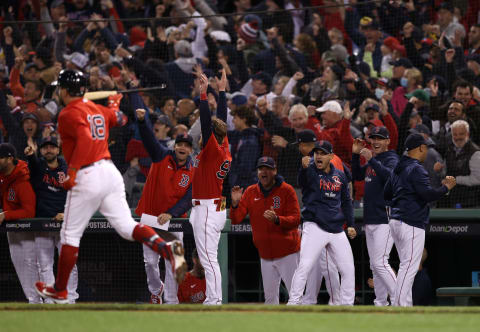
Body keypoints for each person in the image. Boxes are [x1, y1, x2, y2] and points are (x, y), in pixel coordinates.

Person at [34, 69, 187, 304]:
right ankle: (167, 249)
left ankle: (61, 290)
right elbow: (121, 119)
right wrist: (114, 105)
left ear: (64, 90)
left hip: (87, 173)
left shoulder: (67, 113)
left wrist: (72, 171)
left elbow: (85, 139)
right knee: (126, 227)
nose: (58, 92)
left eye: (59, 88)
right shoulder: (96, 109)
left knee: (69, 234)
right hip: (110, 172)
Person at [384, 133, 456, 306]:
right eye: (426, 149)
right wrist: (445, 187)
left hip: (396, 220)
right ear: (421, 148)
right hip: (411, 222)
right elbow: (427, 195)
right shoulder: (416, 168)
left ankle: (404, 305)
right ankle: (399, 308)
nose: (427, 152)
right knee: (409, 268)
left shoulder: (398, 168)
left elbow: (386, 194)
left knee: (406, 266)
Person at [134, 107, 194, 304]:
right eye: (180, 145)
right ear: (174, 146)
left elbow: (188, 199)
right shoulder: (161, 156)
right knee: (150, 262)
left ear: (191, 150)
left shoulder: (193, 172)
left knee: (175, 262)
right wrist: (143, 123)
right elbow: (149, 140)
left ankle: (171, 300)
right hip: (150, 217)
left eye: (186, 146)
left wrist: (170, 213)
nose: (182, 148)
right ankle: (156, 288)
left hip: (175, 221)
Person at [288, 140, 356, 306]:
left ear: (331, 156)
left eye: (323, 153)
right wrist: (303, 168)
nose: (318, 156)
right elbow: (302, 181)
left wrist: (351, 224)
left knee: (348, 270)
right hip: (315, 226)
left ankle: (347, 305)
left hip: (337, 229)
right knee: (304, 266)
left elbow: (347, 202)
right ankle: (293, 302)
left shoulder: (339, 175)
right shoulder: (310, 171)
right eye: (316, 153)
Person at [230, 156, 301, 304]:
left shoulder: (286, 190)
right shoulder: (250, 192)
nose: (264, 171)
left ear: (274, 171)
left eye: (268, 168)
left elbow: (296, 219)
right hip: (265, 255)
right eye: (261, 168)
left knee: (296, 296)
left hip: (288, 253)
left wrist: (278, 219)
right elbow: (236, 219)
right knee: (270, 300)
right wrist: (235, 204)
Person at [189, 69, 231, 305]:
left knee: (208, 259)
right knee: (209, 257)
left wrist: (204, 95)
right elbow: (219, 123)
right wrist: (222, 92)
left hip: (207, 208)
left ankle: (214, 300)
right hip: (210, 207)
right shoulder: (223, 146)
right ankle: (214, 298)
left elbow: (208, 124)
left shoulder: (214, 149)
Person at [24, 136, 79, 304]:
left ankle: (70, 300)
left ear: (58, 149)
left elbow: (77, 194)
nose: (48, 150)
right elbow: (32, 165)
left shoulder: (67, 167)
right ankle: (49, 301)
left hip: (65, 222)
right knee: (44, 263)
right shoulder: (38, 167)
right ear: (41, 151)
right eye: (45, 147)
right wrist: (31, 156)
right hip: (42, 221)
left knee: (69, 263)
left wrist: (65, 213)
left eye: (52, 147)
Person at [351, 126, 399, 306]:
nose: (376, 141)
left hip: (385, 220)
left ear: (387, 141)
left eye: (380, 138)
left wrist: (371, 160)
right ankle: (380, 303)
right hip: (370, 219)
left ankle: (399, 299)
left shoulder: (392, 158)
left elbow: (391, 177)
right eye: (373, 138)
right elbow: (356, 174)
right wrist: (356, 155)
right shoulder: (375, 159)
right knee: (374, 265)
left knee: (380, 263)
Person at [0, 143, 39, 303]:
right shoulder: (3, 177)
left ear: (10, 159)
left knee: (31, 264)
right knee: (19, 265)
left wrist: (5, 214)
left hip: (27, 229)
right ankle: (33, 301)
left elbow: (29, 212)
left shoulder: (22, 178)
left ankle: (42, 301)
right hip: (12, 229)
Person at [439, 120, 480, 208]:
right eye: (455, 134)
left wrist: (455, 180)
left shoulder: (475, 153)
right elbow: (446, 173)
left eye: (461, 134)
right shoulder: (449, 149)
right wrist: (440, 171)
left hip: (470, 203)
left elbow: (477, 179)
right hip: (451, 200)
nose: (458, 137)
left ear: (467, 134)